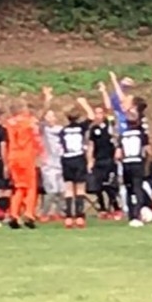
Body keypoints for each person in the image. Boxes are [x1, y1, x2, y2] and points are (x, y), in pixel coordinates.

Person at [5, 101, 44, 229]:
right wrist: (47, 100)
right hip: (26, 157)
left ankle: (14, 213)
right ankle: (29, 213)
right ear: (22, 110)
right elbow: (39, 118)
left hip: (13, 157)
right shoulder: (27, 121)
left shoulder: (9, 122)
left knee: (19, 187)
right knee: (31, 187)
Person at [59, 96, 96, 228]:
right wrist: (84, 103)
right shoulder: (81, 127)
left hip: (66, 158)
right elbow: (91, 116)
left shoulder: (63, 131)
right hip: (79, 158)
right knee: (80, 188)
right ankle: (80, 216)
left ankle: (69, 217)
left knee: (69, 188)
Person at [87, 98, 122, 220]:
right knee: (98, 186)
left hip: (110, 160)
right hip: (98, 160)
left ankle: (116, 207)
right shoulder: (93, 129)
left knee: (110, 185)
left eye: (100, 113)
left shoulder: (110, 125)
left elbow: (111, 110)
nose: (98, 116)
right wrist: (90, 160)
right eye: (96, 113)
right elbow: (91, 145)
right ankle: (102, 208)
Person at [116, 108, 150, 227]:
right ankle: (138, 214)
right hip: (137, 162)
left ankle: (131, 215)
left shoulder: (122, 135)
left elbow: (118, 154)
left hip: (126, 163)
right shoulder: (142, 134)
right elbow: (147, 150)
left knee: (129, 190)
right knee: (138, 188)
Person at [39, 87, 65, 222]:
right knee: (51, 190)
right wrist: (47, 100)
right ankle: (44, 213)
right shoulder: (44, 130)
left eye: (52, 116)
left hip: (61, 163)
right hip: (48, 164)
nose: (50, 118)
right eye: (48, 116)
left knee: (61, 190)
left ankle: (59, 213)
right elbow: (40, 117)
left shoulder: (61, 129)